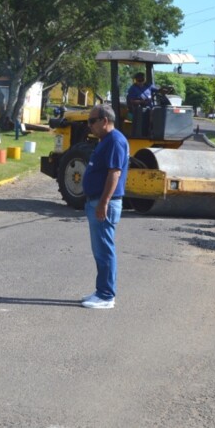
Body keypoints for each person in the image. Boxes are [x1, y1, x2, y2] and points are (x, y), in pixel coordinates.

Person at [80, 104, 129, 310]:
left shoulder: (115, 141)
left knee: (104, 250)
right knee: (100, 250)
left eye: (92, 121)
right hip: (96, 200)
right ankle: (101, 290)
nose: (89, 125)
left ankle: (106, 295)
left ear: (104, 121)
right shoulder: (106, 140)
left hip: (104, 202)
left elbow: (114, 174)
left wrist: (103, 203)